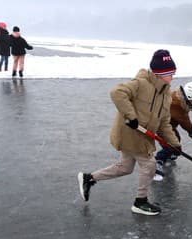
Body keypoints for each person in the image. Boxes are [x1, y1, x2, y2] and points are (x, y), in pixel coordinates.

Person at [77, 49, 181, 216]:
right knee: (149, 165)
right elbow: (117, 93)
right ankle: (140, 202)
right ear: (160, 74)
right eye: (170, 73)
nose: (172, 77)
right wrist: (131, 116)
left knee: (125, 167)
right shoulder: (141, 83)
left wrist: (174, 144)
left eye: (173, 73)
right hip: (130, 133)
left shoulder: (166, 95)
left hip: (144, 136)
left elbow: (164, 123)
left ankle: (89, 178)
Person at [154, 82, 192, 181]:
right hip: (161, 125)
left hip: (169, 124)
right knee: (172, 146)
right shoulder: (177, 105)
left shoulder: (179, 98)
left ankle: (170, 154)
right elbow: (184, 121)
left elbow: (183, 118)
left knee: (176, 139)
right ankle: (158, 161)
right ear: (190, 95)